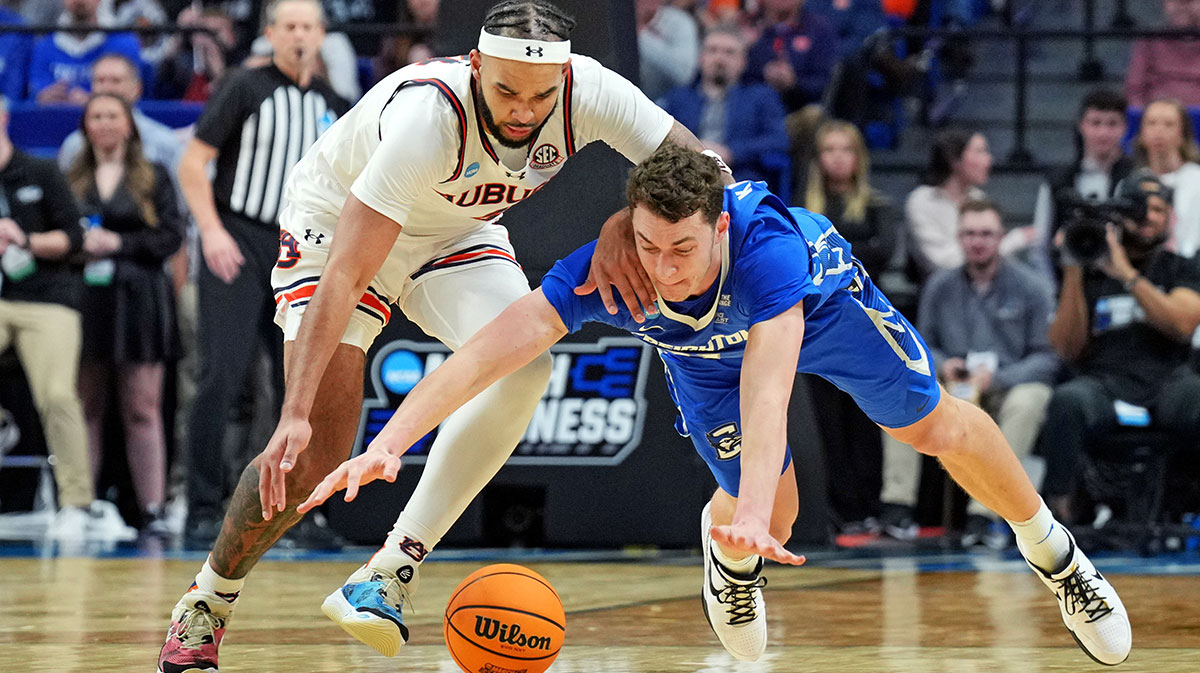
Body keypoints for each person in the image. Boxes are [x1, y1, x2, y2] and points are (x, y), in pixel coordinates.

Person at [301, 145, 1132, 667]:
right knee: (774, 501)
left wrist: (757, 508)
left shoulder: (764, 250)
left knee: (930, 426)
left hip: (824, 310)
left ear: (720, 229)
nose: (663, 268)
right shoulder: (617, 266)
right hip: (703, 357)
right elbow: (491, 348)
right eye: (650, 246)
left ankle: (1058, 557)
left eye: (684, 249)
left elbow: (773, 388)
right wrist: (395, 437)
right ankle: (729, 564)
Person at [156, 2, 716, 671]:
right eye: (506, 90)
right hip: (339, 232)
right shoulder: (428, 117)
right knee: (313, 456)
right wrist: (295, 412)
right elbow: (347, 273)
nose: (522, 109)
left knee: (525, 366)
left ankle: (389, 571)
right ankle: (209, 597)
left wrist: (636, 212)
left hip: (452, 232)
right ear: (477, 66)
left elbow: (704, 166)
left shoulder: (586, 89)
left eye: (540, 95)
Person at [176, 0, 348, 548]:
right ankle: (202, 507)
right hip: (238, 238)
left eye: (308, 26)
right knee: (220, 377)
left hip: (299, 249)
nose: (298, 35)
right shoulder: (244, 88)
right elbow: (191, 163)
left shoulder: (334, 105)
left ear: (322, 36)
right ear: (270, 33)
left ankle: (301, 512)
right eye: (288, 26)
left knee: (296, 385)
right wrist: (212, 231)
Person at [886, 199, 1057, 548]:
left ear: (1000, 238)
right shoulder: (939, 286)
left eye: (986, 234)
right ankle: (896, 506)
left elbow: (1047, 358)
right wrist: (943, 364)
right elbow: (920, 344)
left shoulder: (1031, 287)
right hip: (954, 386)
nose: (978, 241)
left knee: (1031, 398)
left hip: (1006, 384)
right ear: (959, 238)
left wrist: (999, 378)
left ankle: (985, 514)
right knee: (897, 391)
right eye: (969, 234)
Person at [0, 94, 133, 541]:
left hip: (46, 298)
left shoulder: (39, 170)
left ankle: (77, 502)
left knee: (58, 394)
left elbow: (75, 236)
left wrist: (26, 241)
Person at [1040, 170, 1200, 524]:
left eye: (1160, 210)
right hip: (1105, 385)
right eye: (1142, 209)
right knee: (1068, 401)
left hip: (1167, 383)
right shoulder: (1090, 266)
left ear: (1171, 218)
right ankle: (1057, 521)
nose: (1150, 218)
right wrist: (1073, 269)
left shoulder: (1182, 268)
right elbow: (1067, 348)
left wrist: (1126, 273)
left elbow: (1181, 326)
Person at [67, 93, 184, 533]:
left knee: (142, 406)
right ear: (86, 125)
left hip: (141, 301)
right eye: (96, 116)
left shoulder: (153, 175)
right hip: (88, 299)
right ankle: (84, 504)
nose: (104, 124)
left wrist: (120, 245)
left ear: (129, 123)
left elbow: (171, 236)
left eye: (112, 115)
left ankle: (152, 507)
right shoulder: (73, 177)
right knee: (87, 404)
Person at [801, 119, 895, 531]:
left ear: (858, 158)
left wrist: (829, 263)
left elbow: (885, 254)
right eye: (829, 150)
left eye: (845, 149)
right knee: (828, 422)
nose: (837, 158)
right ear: (818, 159)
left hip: (864, 322)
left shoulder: (877, 207)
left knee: (865, 417)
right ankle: (839, 509)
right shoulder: (802, 210)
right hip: (816, 325)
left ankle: (870, 504)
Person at [659, 24, 789, 192]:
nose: (719, 59)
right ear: (701, 57)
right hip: (684, 180)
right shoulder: (677, 98)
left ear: (743, 61)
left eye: (729, 52)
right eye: (712, 50)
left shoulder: (760, 97)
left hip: (740, 182)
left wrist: (731, 152)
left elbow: (778, 140)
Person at [1032, 88, 1135, 285]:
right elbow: (1040, 246)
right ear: (1081, 125)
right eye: (1095, 123)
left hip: (1122, 286)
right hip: (1067, 284)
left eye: (1112, 124)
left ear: (1124, 127)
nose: (1103, 132)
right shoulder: (1058, 182)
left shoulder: (1135, 179)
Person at [58, 53, 181, 174]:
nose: (107, 88)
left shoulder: (164, 142)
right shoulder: (74, 145)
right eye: (100, 81)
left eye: (116, 81)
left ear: (136, 89)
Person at [905, 128, 990, 280]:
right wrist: (1014, 241)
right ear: (954, 160)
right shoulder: (921, 201)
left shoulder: (980, 199)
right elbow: (942, 262)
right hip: (936, 291)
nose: (988, 160)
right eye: (980, 151)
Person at [27, 0, 146, 104]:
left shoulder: (124, 44)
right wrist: (42, 98)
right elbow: (33, 94)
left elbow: (138, 96)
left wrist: (96, 102)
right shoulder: (44, 47)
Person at [745, 0, 839, 114]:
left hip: (802, 109)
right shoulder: (747, 24)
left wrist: (794, 83)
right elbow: (732, 76)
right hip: (752, 106)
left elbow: (827, 80)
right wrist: (763, 72)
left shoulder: (819, 28)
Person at [1133, 99, 1200, 257]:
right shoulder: (1131, 182)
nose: (1159, 131)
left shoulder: (1197, 180)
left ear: (1183, 135)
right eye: (1152, 123)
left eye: (1169, 124)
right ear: (1141, 133)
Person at [1125, 0, 1200, 108]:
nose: (1183, 5)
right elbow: (1134, 89)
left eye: (1190, 0)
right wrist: (1140, 118)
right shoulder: (1149, 39)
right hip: (1157, 117)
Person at [637, 0, 700, 101]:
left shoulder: (679, 22)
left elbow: (683, 74)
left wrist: (641, 36)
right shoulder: (612, 21)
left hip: (664, 103)